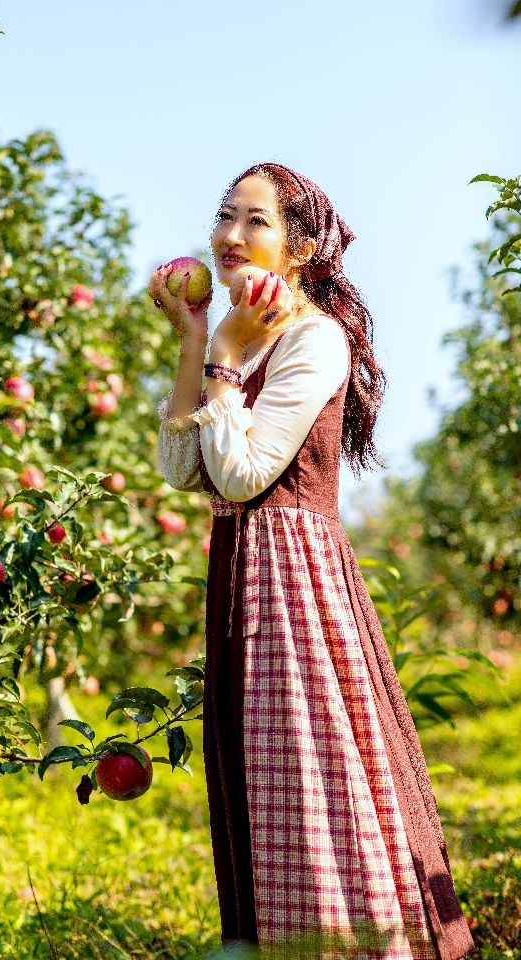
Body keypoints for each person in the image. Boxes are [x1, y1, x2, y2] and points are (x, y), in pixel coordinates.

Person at [150, 163, 475, 960]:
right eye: (224, 216)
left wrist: (226, 350)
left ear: (298, 249)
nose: (229, 235)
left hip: (294, 583)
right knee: (269, 788)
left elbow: (244, 473)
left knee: (314, 777)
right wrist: (199, 343)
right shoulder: (246, 338)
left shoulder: (312, 338)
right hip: (243, 578)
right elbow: (181, 470)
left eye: (255, 221)